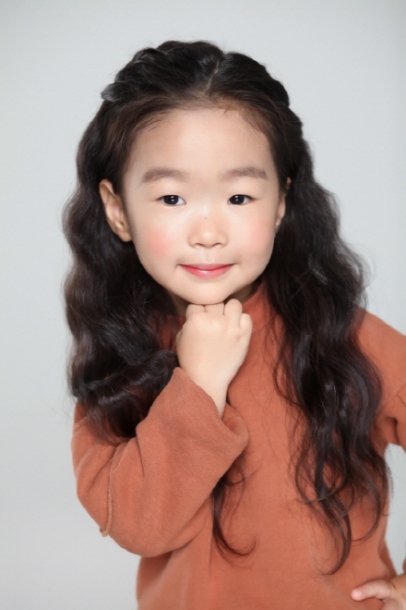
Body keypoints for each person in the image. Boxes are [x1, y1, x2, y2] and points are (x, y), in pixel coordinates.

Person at [64, 41, 406, 609]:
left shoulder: (344, 337)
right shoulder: (117, 361)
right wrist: (198, 386)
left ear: (281, 203)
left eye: (240, 196)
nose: (208, 233)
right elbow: (137, 526)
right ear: (118, 209)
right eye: (172, 198)